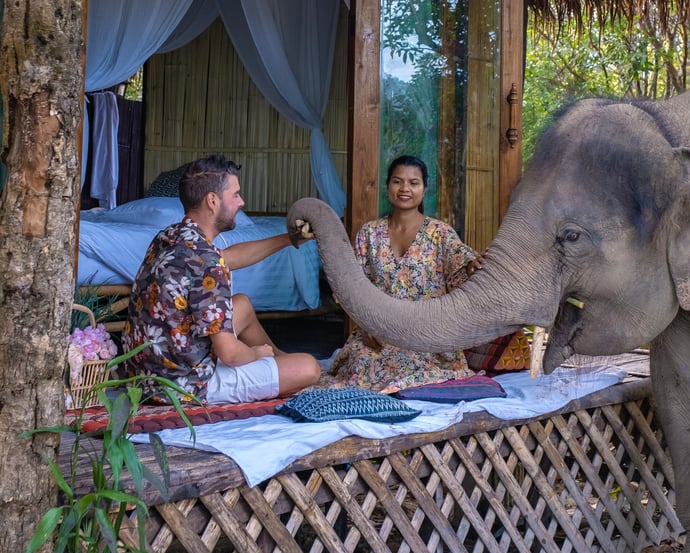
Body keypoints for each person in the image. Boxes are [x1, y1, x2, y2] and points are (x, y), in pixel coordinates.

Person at [122, 154, 321, 404]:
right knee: (309, 367)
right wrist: (255, 354)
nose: (242, 202)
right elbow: (229, 354)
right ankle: (275, 366)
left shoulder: (171, 237)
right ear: (213, 201)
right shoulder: (207, 263)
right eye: (235, 195)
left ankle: (277, 359)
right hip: (185, 386)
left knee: (242, 305)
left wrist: (288, 239)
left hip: (147, 373)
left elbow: (226, 258)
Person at [319, 155, 484, 394]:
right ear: (388, 186)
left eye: (413, 183)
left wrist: (474, 267)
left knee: (413, 370)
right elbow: (350, 287)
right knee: (360, 366)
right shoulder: (369, 233)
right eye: (398, 181)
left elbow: (463, 271)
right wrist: (366, 326)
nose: (405, 188)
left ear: (424, 189)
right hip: (378, 335)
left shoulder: (440, 233)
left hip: (427, 338)